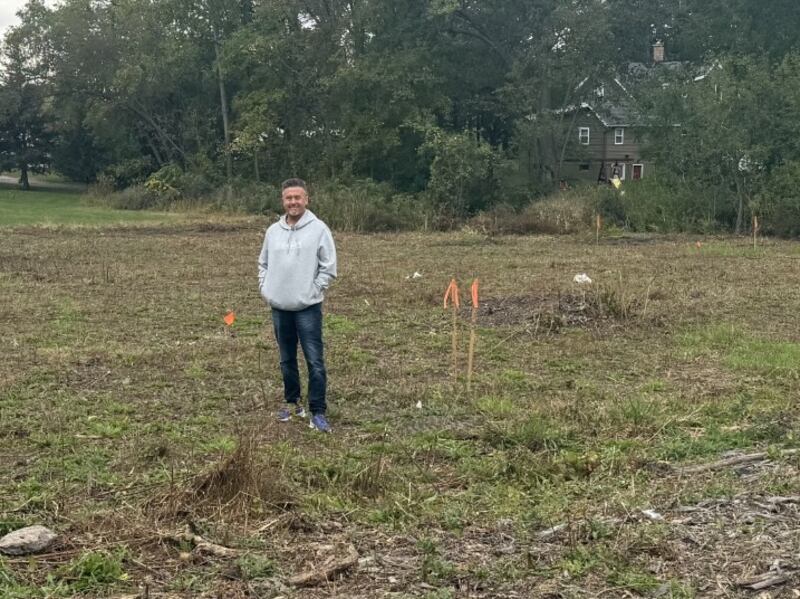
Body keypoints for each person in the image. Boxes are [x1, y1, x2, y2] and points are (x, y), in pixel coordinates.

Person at [258, 178, 337, 433]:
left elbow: (328, 266)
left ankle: (317, 411)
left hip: (307, 308)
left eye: (297, 197)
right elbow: (263, 264)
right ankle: (293, 404)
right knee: (286, 359)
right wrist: (266, 288)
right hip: (280, 307)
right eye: (288, 198)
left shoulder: (319, 229)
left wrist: (314, 289)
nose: (293, 202)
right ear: (283, 201)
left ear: (306, 199)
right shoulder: (273, 231)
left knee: (314, 360)